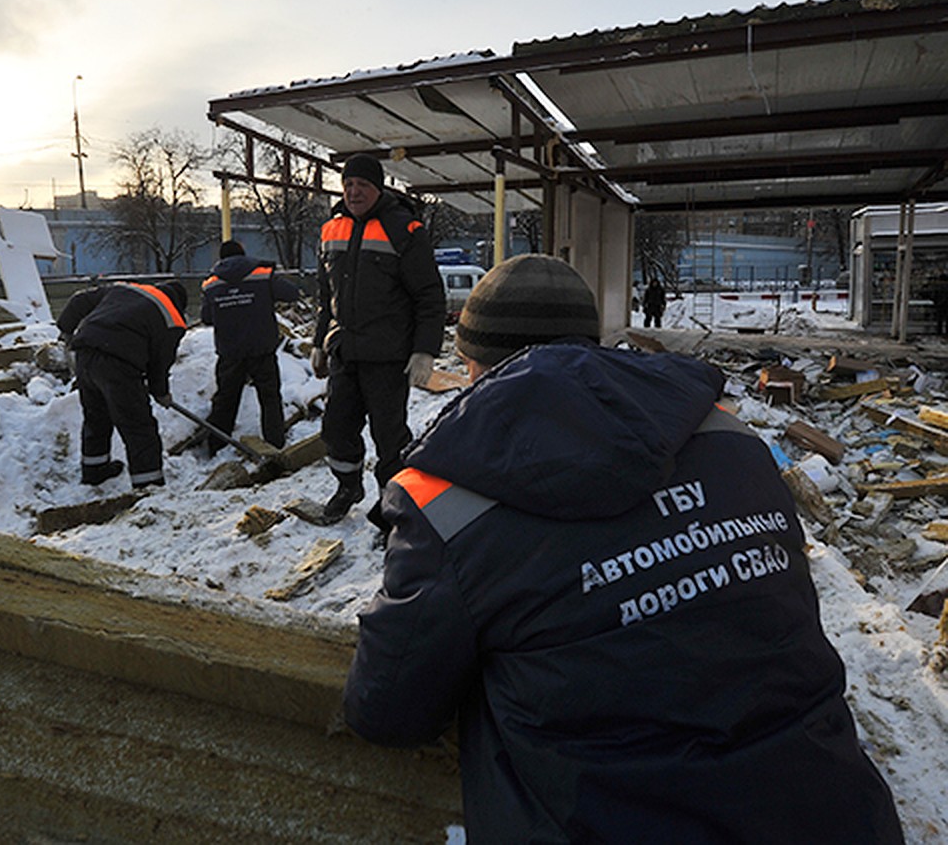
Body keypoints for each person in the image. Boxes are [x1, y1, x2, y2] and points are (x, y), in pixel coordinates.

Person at [342, 254, 904, 844]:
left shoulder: (448, 502)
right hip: (834, 815)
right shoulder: (730, 440)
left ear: (471, 361)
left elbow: (387, 711)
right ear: (595, 342)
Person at [311, 153, 445, 526]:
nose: (354, 192)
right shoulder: (331, 229)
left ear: (379, 188)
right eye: (348, 184)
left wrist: (424, 351)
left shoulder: (404, 229)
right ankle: (348, 487)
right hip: (345, 353)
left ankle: (395, 506)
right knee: (336, 429)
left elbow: (429, 295)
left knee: (390, 439)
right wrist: (320, 341)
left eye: (363, 185)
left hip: (388, 357)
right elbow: (327, 297)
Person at [57, 280, 188, 489]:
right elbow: (160, 363)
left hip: (85, 353)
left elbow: (79, 300)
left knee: (96, 417)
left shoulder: (124, 290)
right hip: (117, 364)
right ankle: (149, 485)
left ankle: (94, 470)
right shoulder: (172, 318)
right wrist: (160, 392)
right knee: (139, 426)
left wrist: (66, 329)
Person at [201, 239, 302, 456]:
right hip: (262, 349)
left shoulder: (211, 283)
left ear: (221, 259)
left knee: (225, 400)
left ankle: (216, 445)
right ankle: (275, 442)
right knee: (270, 398)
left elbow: (207, 318)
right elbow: (292, 293)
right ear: (243, 253)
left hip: (230, 352)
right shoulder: (262, 274)